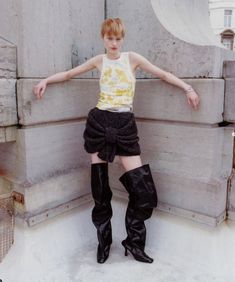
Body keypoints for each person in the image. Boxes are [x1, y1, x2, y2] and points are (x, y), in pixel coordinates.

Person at [33, 18, 200, 264]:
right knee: (100, 191)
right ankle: (104, 243)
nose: (114, 43)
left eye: (118, 38)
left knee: (143, 191)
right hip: (100, 123)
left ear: (123, 38)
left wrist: (188, 88)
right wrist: (46, 80)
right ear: (103, 38)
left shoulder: (132, 59)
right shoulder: (98, 61)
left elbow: (162, 73)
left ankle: (133, 243)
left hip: (124, 125)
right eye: (109, 38)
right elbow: (69, 73)